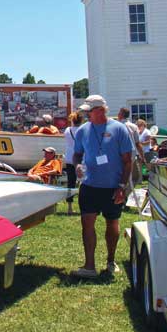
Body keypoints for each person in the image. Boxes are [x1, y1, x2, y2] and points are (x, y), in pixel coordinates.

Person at [72, 95, 133, 278]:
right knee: (87, 223)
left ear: (99, 110)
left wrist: (122, 186)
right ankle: (89, 265)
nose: (85, 114)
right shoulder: (83, 130)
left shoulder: (119, 129)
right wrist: (76, 166)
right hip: (89, 186)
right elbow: (76, 154)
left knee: (112, 223)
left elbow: (128, 161)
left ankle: (110, 260)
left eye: (88, 111)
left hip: (113, 186)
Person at [116, 108, 145, 183]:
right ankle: (126, 192)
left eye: (119, 113)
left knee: (122, 176)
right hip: (132, 154)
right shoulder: (134, 126)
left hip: (119, 155)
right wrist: (142, 156)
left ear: (121, 115)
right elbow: (137, 143)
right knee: (135, 177)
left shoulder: (116, 126)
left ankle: (123, 191)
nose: (118, 114)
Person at [62, 112, 83, 215]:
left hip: (69, 158)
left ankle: (69, 207)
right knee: (84, 182)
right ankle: (84, 205)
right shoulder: (83, 130)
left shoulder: (67, 130)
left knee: (70, 182)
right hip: (80, 158)